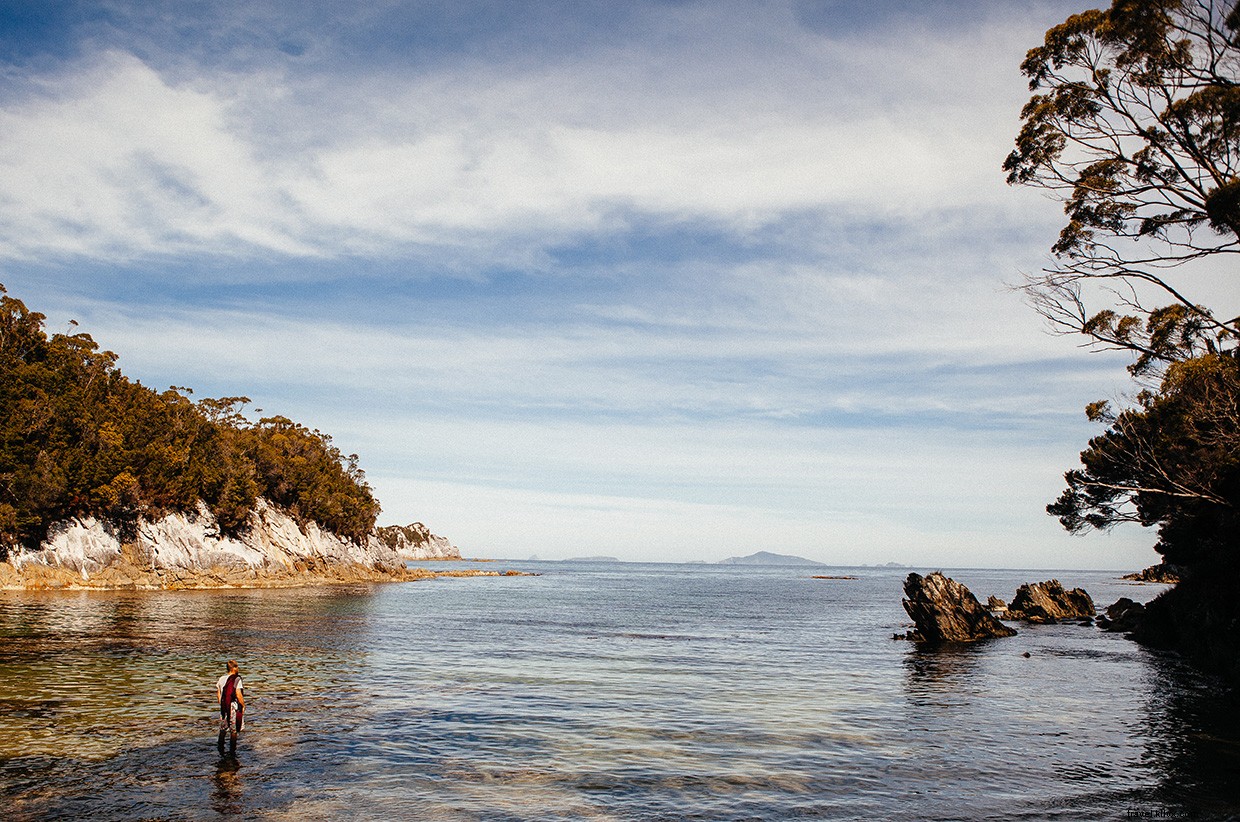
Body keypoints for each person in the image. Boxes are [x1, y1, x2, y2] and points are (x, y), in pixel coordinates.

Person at [216, 659, 246, 749]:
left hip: (224, 706)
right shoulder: (237, 679)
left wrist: (222, 704)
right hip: (233, 707)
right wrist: (243, 706)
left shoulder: (221, 679)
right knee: (234, 730)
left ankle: (220, 748)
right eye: (237, 667)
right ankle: (232, 751)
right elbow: (238, 694)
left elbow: (218, 694)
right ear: (234, 668)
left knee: (223, 729)